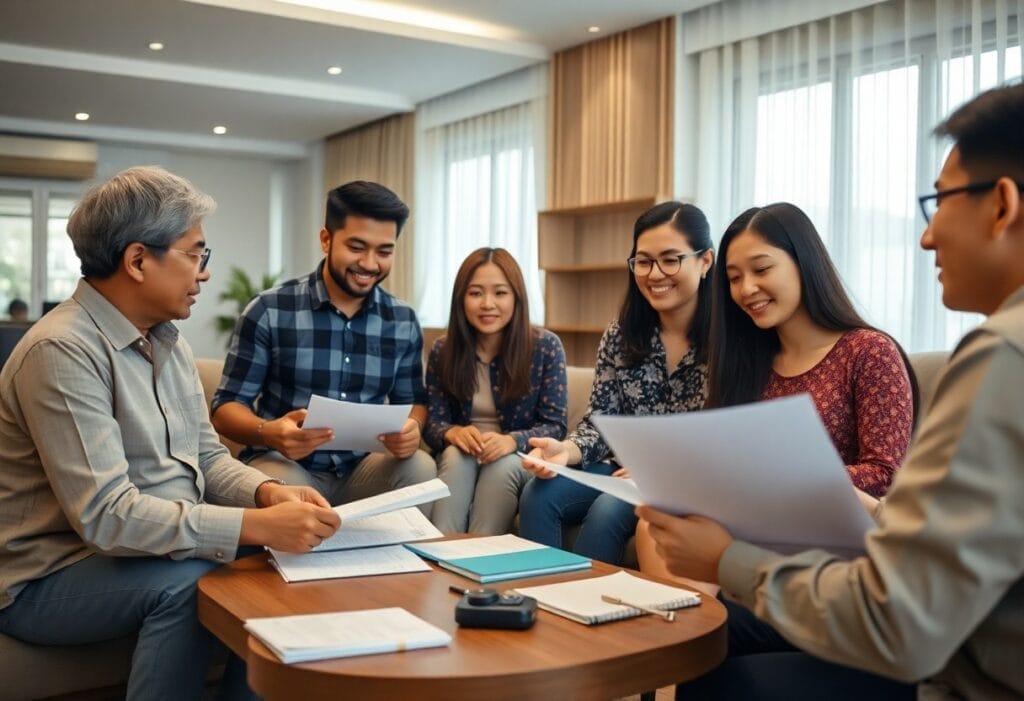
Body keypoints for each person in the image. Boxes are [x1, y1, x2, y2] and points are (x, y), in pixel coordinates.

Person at [642, 82, 1024, 700]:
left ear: (1002, 204)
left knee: (725, 667)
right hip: (843, 584)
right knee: (698, 633)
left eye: (940, 201)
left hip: (865, 599)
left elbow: (901, 606)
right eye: (734, 277)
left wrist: (730, 557)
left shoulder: (985, 356)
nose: (926, 237)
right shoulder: (745, 359)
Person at [0, 166, 340, 701]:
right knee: (196, 582)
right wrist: (256, 524)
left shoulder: (167, 341)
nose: (204, 272)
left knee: (273, 569)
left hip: (138, 553)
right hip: (49, 575)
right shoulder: (61, 350)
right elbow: (106, 516)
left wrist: (268, 493)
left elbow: (205, 456)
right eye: (195, 253)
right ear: (138, 260)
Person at [212, 181, 436, 507]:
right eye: (357, 247)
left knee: (420, 467)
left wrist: (412, 427)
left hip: (363, 468)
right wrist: (269, 431)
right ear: (326, 240)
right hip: (285, 464)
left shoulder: (402, 320)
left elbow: (414, 401)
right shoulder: (269, 310)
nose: (371, 264)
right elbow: (226, 408)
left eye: (384, 251)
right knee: (282, 488)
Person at [519, 202, 714, 565]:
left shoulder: (728, 340)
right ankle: (537, 602)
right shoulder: (621, 334)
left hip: (685, 479)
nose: (655, 274)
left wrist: (660, 470)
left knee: (610, 509)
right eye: (643, 261)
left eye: (671, 259)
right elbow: (601, 421)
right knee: (539, 493)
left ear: (705, 261)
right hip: (620, 466)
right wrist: (566, 452)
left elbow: (724, 436)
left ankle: (589, 614)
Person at [425, 247, 567, 534]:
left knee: (500, 466)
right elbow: (433, 423)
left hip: (515, 456)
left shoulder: (545, 346)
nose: (487, 303)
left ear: (516, 297)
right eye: (475, 293)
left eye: (500, 293)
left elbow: (556, 426)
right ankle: (438, 555)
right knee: (454, 455)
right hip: (463, 453)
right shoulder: (443, 349)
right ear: (461, 299)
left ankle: (480, 557)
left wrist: (512, 441)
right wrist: (451, 432)